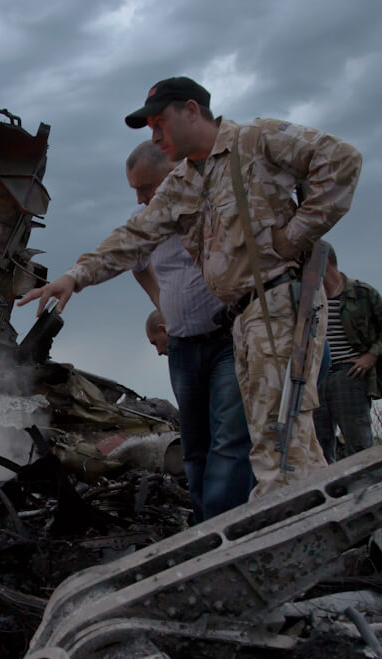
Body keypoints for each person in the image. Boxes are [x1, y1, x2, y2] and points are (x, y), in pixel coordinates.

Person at [18, 77, 362, 497]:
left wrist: (295, 235)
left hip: (279, 304)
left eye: (160, 121)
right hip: (244, 319)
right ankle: (324, 536)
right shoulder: (184, 182)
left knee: (279, 444)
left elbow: (342, 160)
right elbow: (134, 235)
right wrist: (76, 276)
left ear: (193, 111)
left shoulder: (254, 140)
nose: (155, 134)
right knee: (288, 445)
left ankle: (278, 545)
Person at [124, 142, 253, 521]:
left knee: (230, 439)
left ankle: (225, 532)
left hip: (227, 339)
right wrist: (162, 303)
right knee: (195, 445)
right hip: (182, 345)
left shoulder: (214, 203)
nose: (142, 198)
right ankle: (203, 526)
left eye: (147, 187)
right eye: (135, 190)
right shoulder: (143, 218)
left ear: (175, 173)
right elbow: (136, 264)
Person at [314, 249, 382, 462]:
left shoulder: (361, 292)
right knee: (317, 447)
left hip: (349, 373)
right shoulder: (308, 297)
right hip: (315, 376)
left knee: (359, 444)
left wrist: (372, 355)